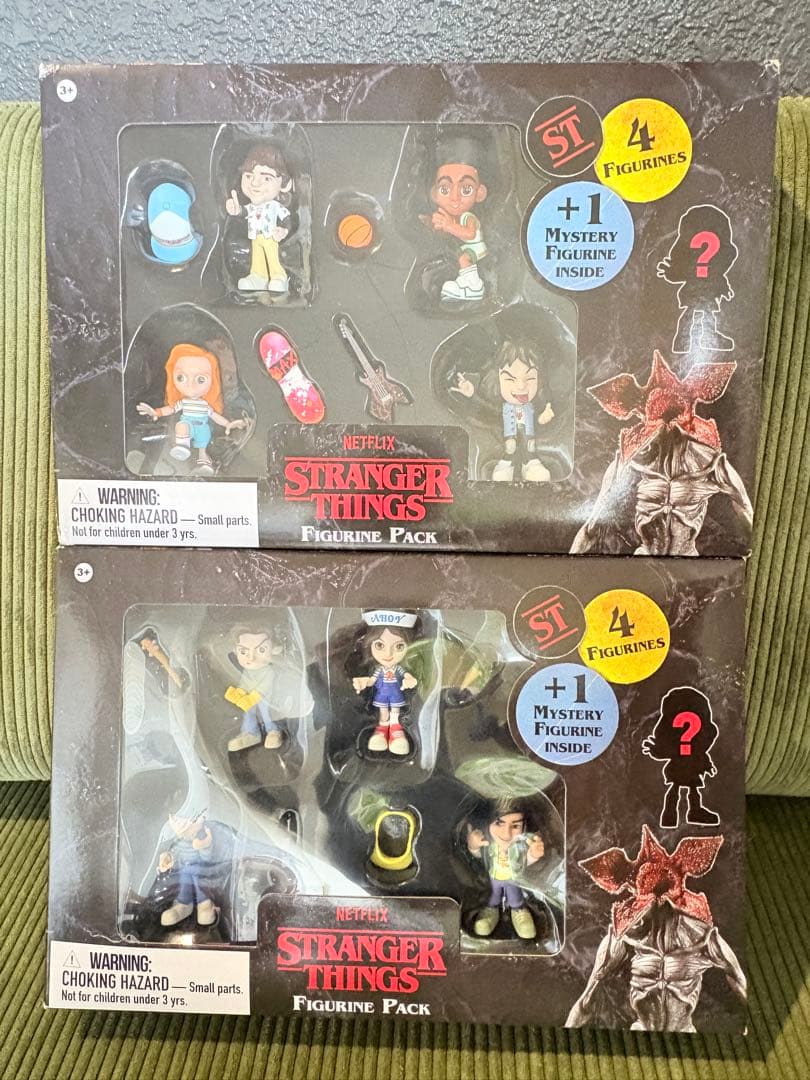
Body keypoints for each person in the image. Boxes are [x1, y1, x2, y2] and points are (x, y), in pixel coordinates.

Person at [451, 339, 554, 482]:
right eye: (510, 379)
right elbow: (486, 412)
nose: (521, 386)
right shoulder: (503, 409)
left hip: (530, 452)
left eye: (530, 378)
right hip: (505, 451)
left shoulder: (533, 407)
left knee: (530, 446)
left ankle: (530, 463)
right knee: (509, 447)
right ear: (497, 380)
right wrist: (472, 396)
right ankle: (507, 463)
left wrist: (544, 416)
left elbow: (543, 422)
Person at [136, 343, 246, 473]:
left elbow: (215, 416)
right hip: (187, 426)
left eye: (200, 379)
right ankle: (182, 446)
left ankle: (203, 462)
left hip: (203, 428)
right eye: (181, 377)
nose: (191, 385)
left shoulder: (206, 405)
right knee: (182, 426)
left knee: (202, 448)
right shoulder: (183, 402)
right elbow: (171, 409)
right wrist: (156, 412)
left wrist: (228, 424)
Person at [465, 797, 545, 940]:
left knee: (515, 897)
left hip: (513, 879)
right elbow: (478, 855)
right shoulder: (489, 845)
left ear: (524, 827)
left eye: (515, 826)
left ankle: (518, 911)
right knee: (492, 896)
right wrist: (473, 845)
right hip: (493, 879)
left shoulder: (519, 847)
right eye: (498, 823)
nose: (506, 834)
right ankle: (491, 911)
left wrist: (533, 854)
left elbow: (525, 861)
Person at [423, 136, 489, 302]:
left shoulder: (469, 217)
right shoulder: (454, 216)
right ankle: (465, 282)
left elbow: (470, 234)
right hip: (463, 248)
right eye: (445, 189)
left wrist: (449, 226)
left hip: (475, 247)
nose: (454, 198)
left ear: (479, 193)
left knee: (464, 258)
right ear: (434, 194)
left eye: (466, 189)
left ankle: (474, 286)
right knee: (460, 257)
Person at [225, 144, 293, 293]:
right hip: (255, 237)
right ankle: (258, 277)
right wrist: (236, 210)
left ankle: (279, 276)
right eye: (249, 176)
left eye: (266, 178)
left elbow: (286, 219)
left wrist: (284, 230)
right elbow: (244, 212)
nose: (255, 183)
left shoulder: (275, 206)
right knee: (257, 259)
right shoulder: (252, 206)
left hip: (271, 238)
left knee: (273, 259)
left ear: (284, 184)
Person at [351, 611, 419, 756]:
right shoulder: (378, 670)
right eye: (380, 645)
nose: (388, 654)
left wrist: (410, 680)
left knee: (395, 711)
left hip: (395, 694)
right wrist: (364, 682)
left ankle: (396, 729)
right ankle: (382, 729)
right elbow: (372, 680)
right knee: (383, 712)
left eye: (399, 646)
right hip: (382, 695)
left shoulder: (398, 669)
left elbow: (407, 675)